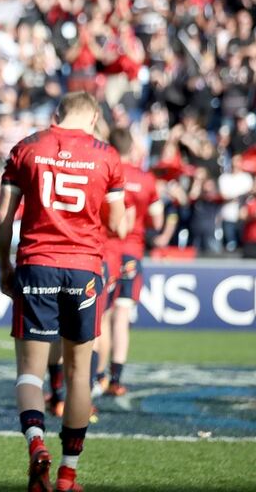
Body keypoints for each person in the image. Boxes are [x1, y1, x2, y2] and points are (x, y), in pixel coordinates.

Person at [0, 92, 126, 492]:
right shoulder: (107, 156)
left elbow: (3, 218)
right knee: (78, 372)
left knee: (30, 373)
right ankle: (68, 474)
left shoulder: (28, 147)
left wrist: (4, 266)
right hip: (84, 268)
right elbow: (118, 225)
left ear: (56, 114)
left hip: (37, 262)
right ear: (94, 117)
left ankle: (37, 445)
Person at [101, 128, 162, 397]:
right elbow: (157, 219)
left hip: (105, 249)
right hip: (133, 252)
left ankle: (98, 375)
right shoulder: (146, 178)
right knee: (122, 316)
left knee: (101, 316)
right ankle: (116, 379)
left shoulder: (105, 172)